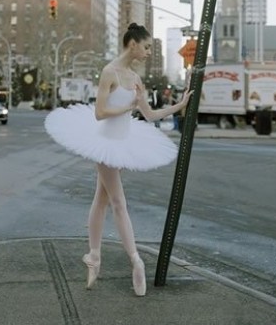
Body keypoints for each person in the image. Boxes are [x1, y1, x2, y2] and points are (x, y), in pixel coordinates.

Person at [45, 23, 192, 297]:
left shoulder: (135, 77)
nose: (149, 51)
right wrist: (128, 106)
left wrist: (179, 106)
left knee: (101, 200)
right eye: (146, 46)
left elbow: (149, 115)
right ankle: (135, 260)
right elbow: (100, 112)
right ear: (132, 44)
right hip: (105, 143)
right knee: (118, 203)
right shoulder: (109, 72)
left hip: (123, 144)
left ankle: (94, 256)